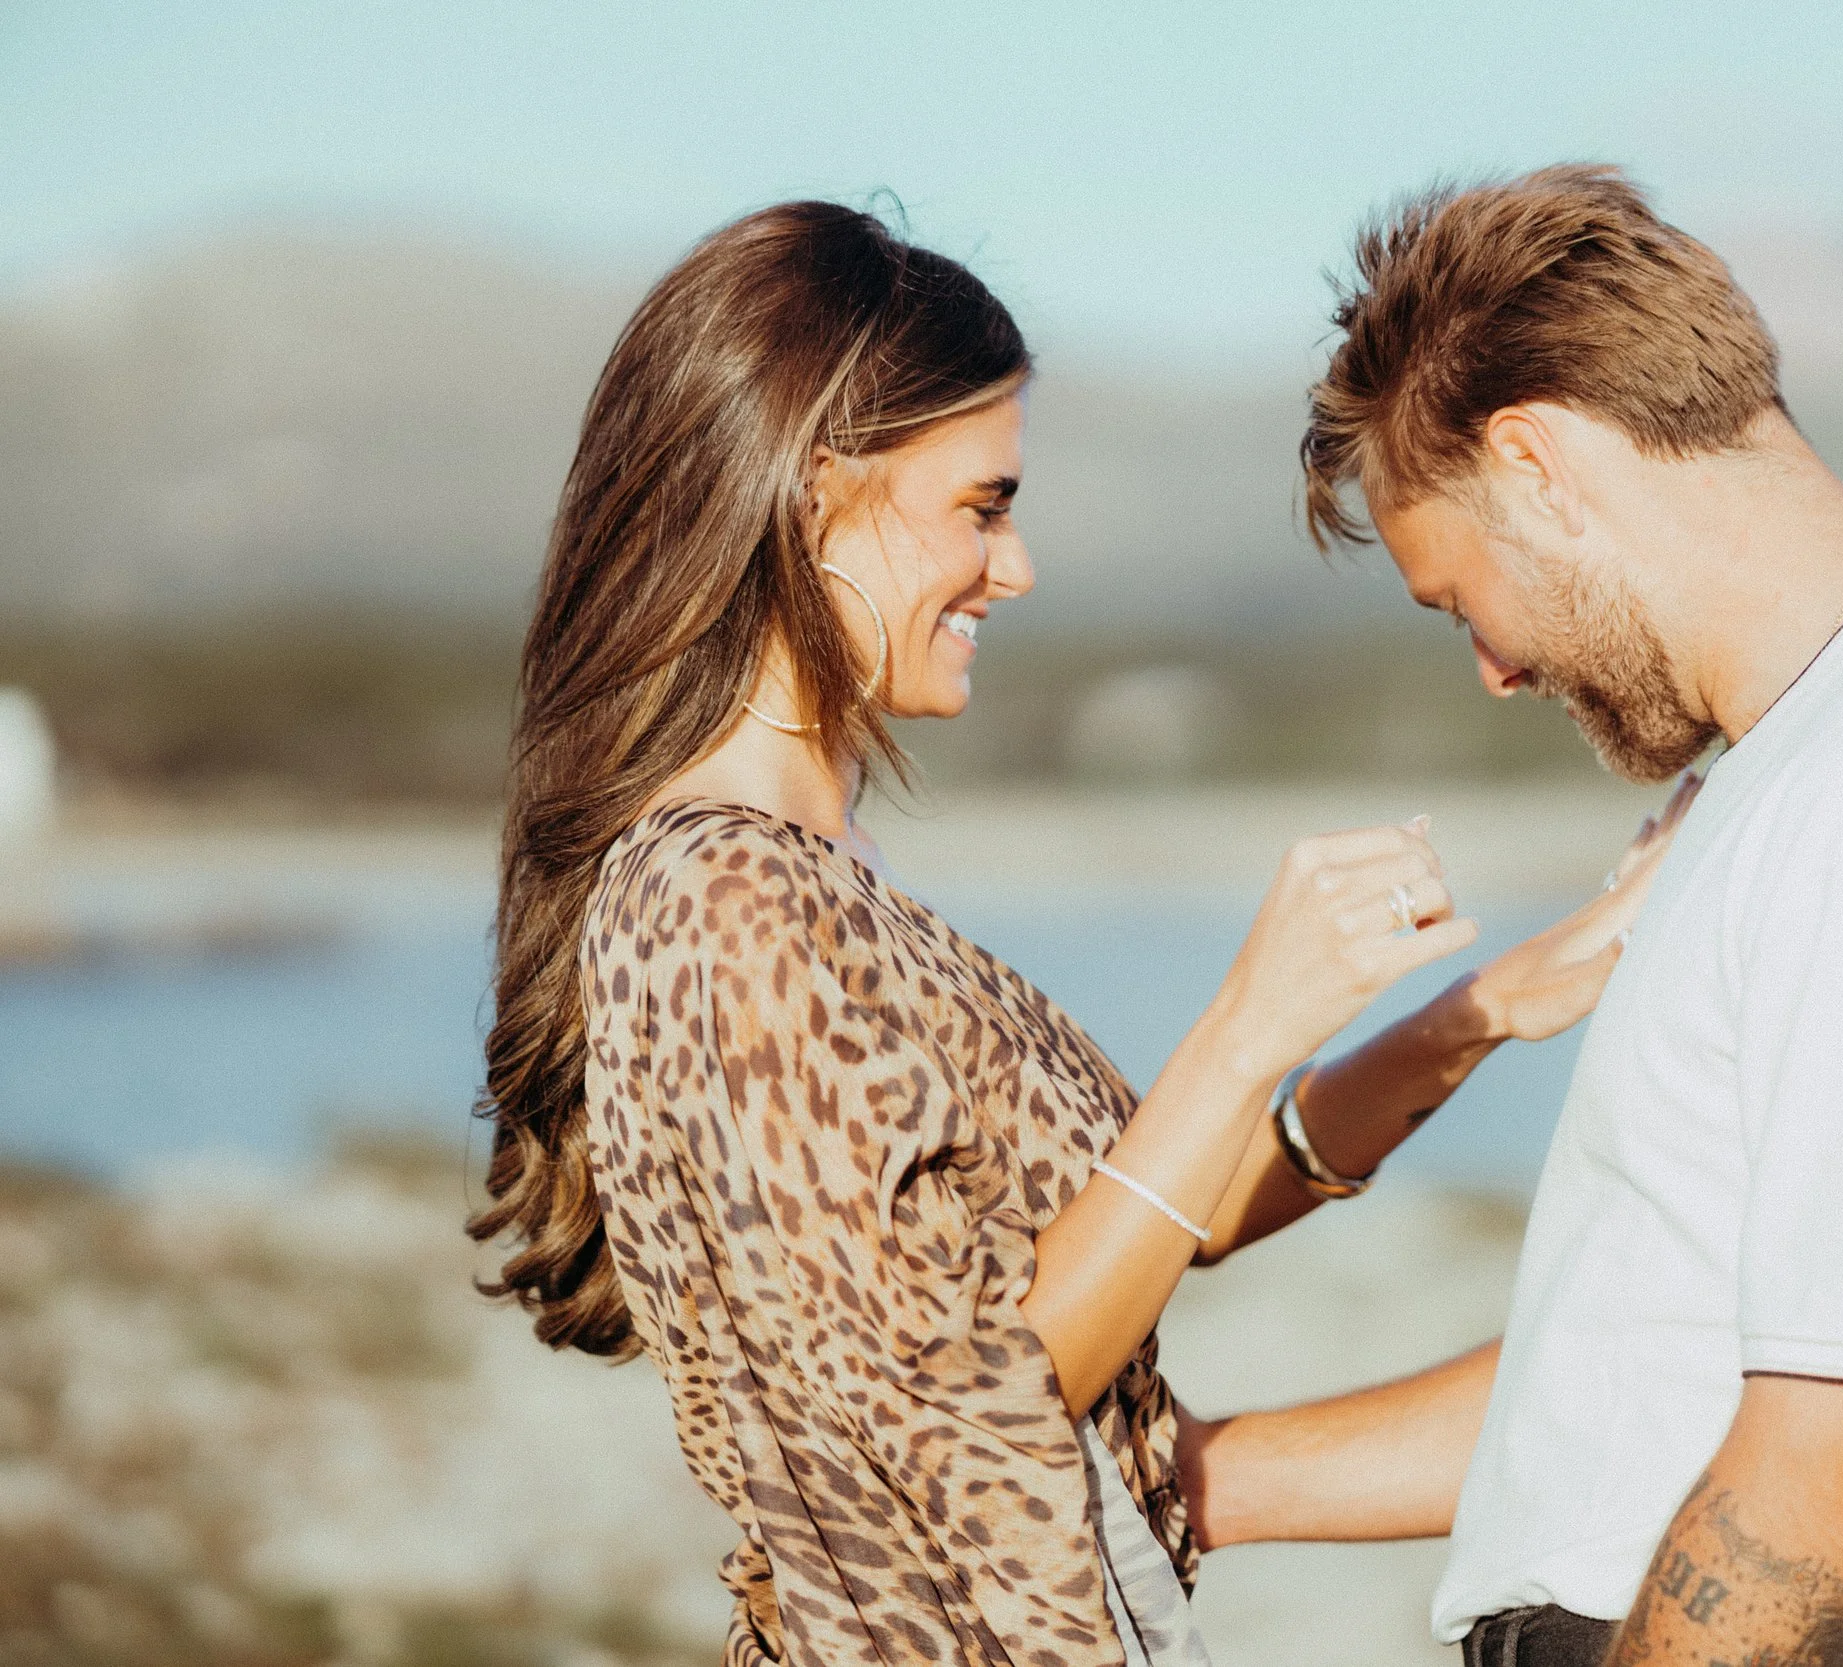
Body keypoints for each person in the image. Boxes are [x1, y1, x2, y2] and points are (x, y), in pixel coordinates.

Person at [465, 200, 1674, 1667]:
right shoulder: (729, 905)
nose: (1017, 566)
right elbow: (958, 1424)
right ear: (814, 496)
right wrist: (1247, 1020)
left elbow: (1177, 1216)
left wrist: (1479, 1011)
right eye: (982, 505)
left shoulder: (808, 877)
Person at [1178, 166, 1843, 1667]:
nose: (1495, 670)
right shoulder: (1820, 765)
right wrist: (1204, 1481)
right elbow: (1654, 1370)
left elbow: (1838, 1487)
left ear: (1538, 465)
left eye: (1459, 600)